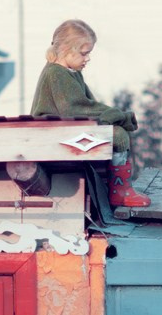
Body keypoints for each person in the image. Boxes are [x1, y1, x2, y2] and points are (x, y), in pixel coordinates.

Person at [30, 19, 150, 208]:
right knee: (117, 135)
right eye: (84, 53)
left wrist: (114, 115)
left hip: (65, 129)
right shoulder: (56, 73)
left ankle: (120, 189)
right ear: (66, 49)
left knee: (115, 130)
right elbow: (75, 109)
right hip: (54, 134)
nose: (87, 58)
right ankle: (120, 191)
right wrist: (118, 116)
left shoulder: (71, 73)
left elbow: (88, 105)